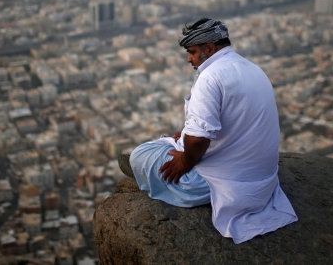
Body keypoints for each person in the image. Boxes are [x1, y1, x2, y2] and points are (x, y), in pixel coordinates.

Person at [119, 18, 298, 244]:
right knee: (177, 139)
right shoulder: (252, 68)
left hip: (226, 187)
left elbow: (198, 141)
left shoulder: (211, 77)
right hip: (263, 181)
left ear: (210, 48)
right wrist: (188, 135)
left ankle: (147, 167)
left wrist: (185, 162)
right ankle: (174, 143)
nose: (189, 59)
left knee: (141, 154)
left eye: (192, 52)